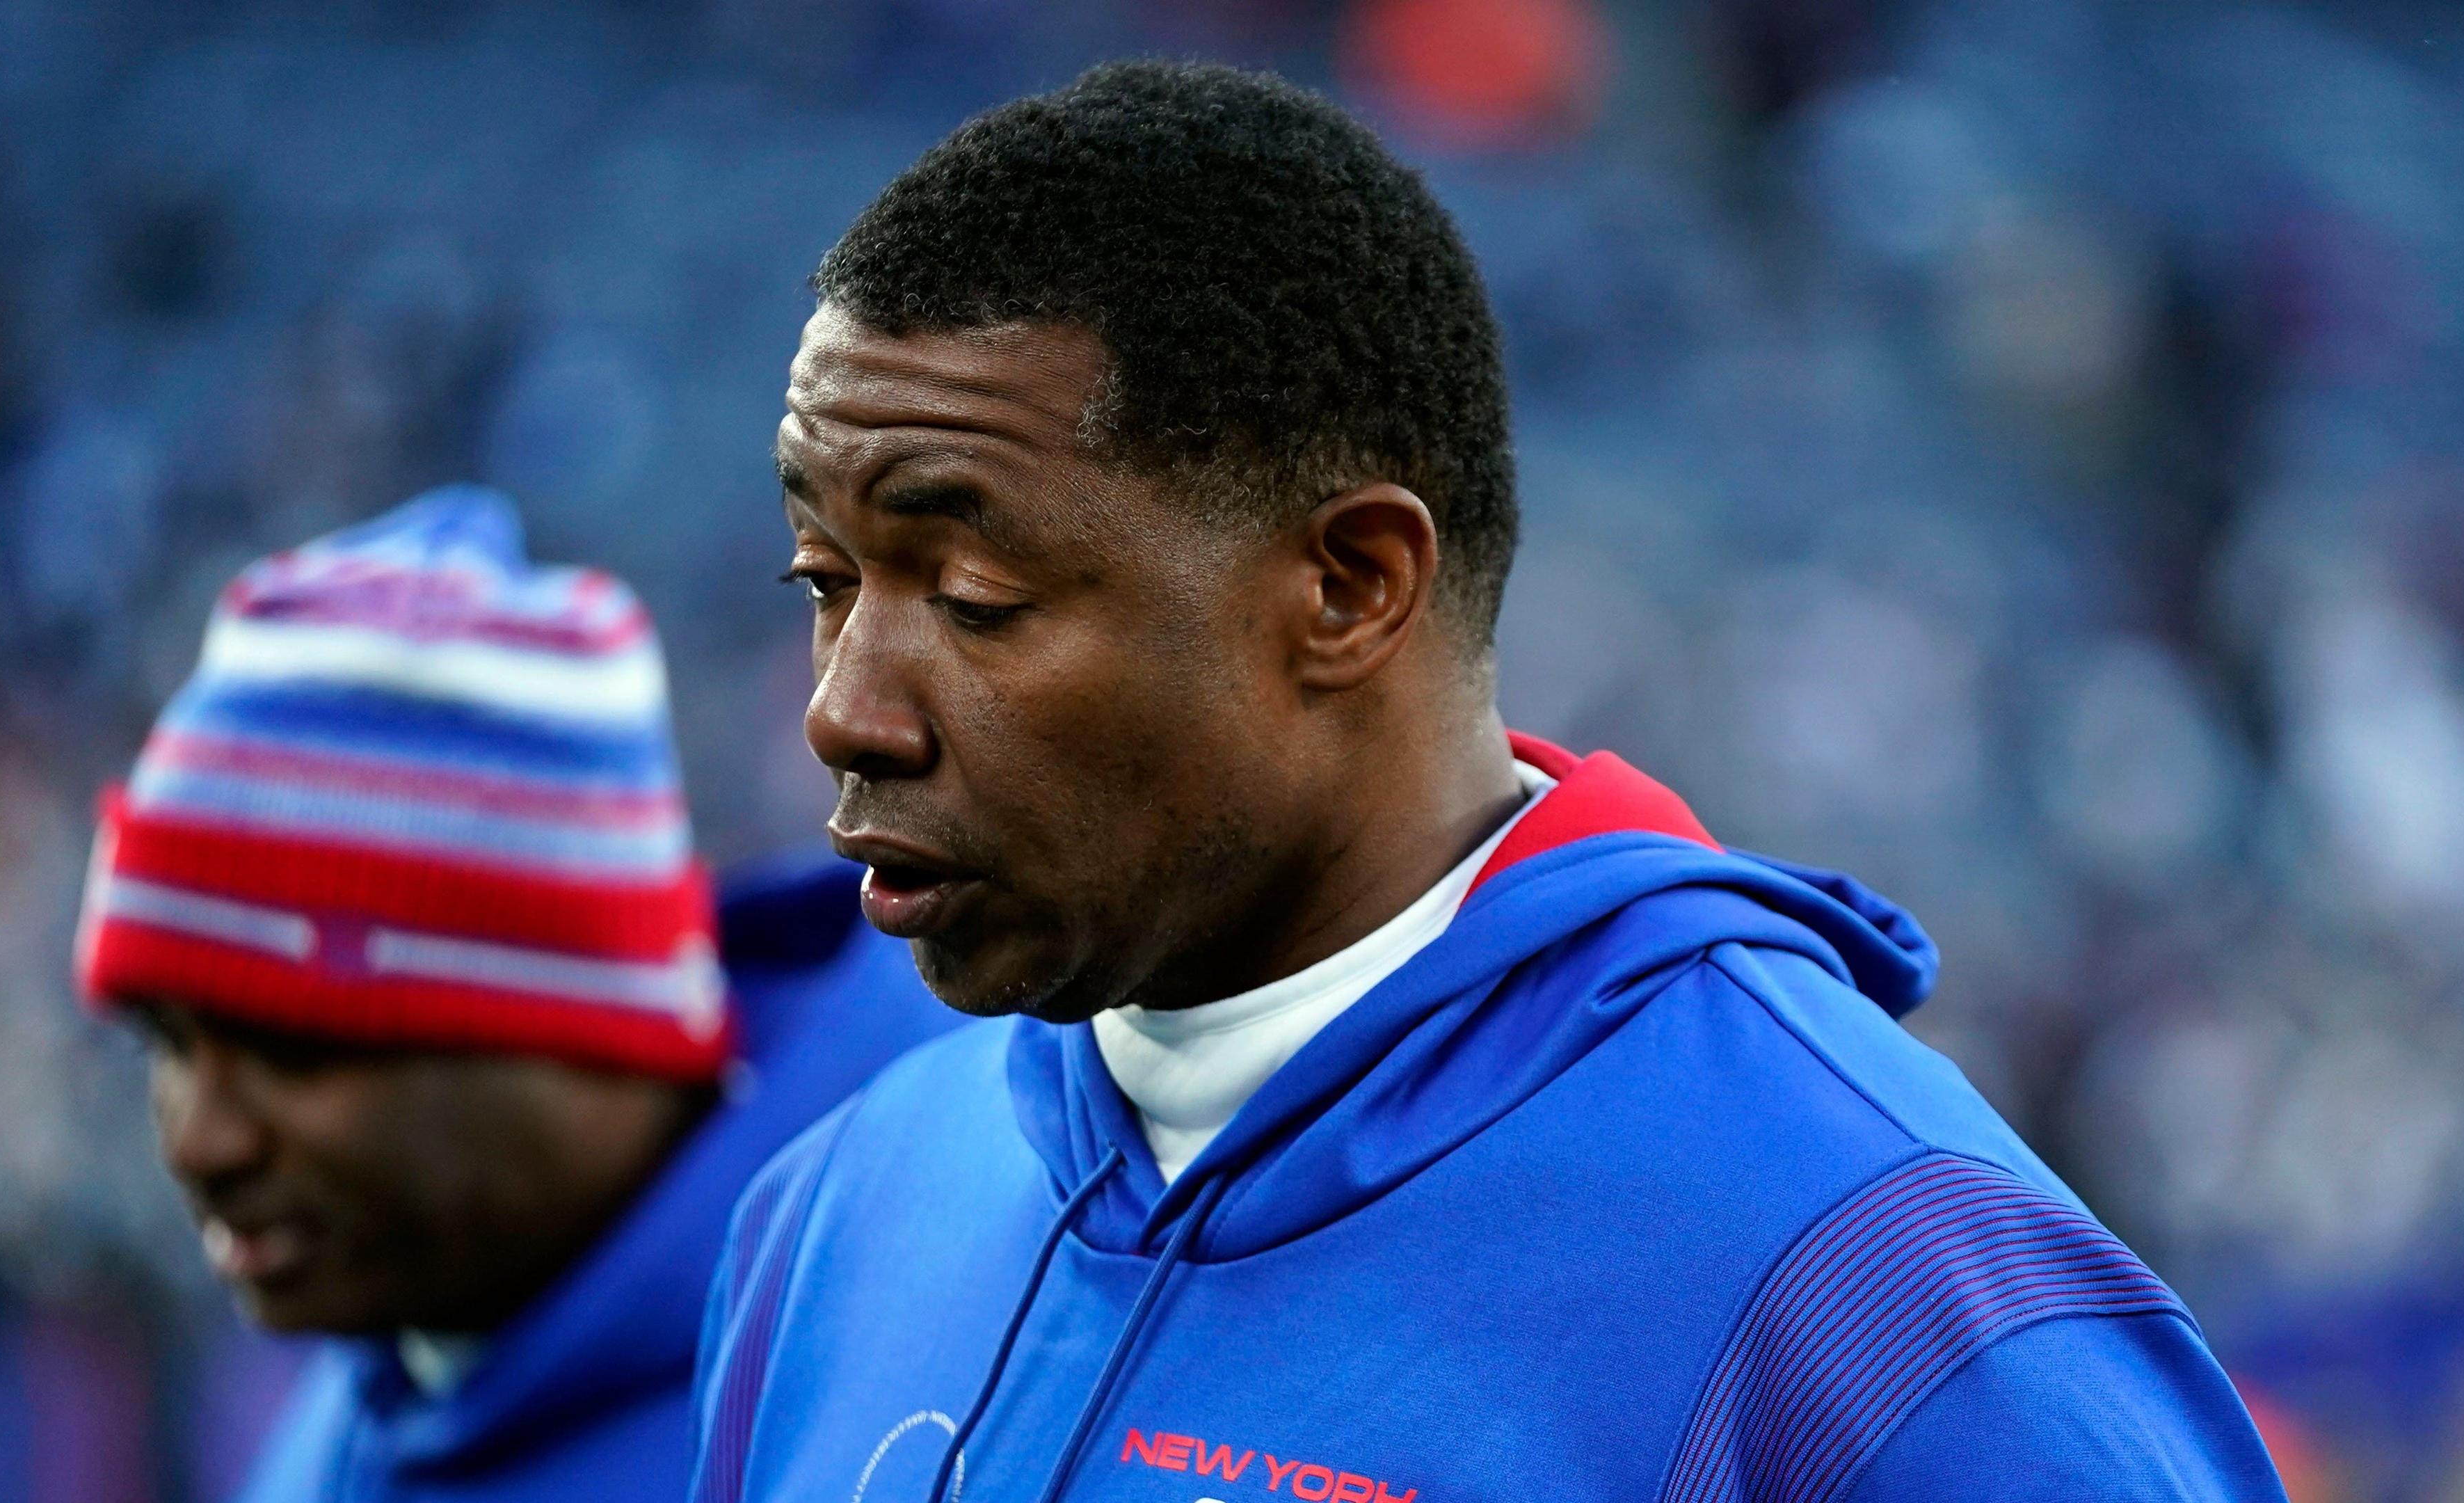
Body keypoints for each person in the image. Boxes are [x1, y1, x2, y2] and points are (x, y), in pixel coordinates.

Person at [691, 61, 2286, 1503]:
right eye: (824, 581)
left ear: (1350, 586)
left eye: (974, 597)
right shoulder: (841, 1206)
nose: (844, 713)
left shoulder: (1882, 1300)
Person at [71, 487, 957, 1502]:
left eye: (293, 1051)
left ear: (575, 1030)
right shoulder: (379, 1384)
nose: (198, 1143)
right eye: (166, 1045)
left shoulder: (913, 1370)